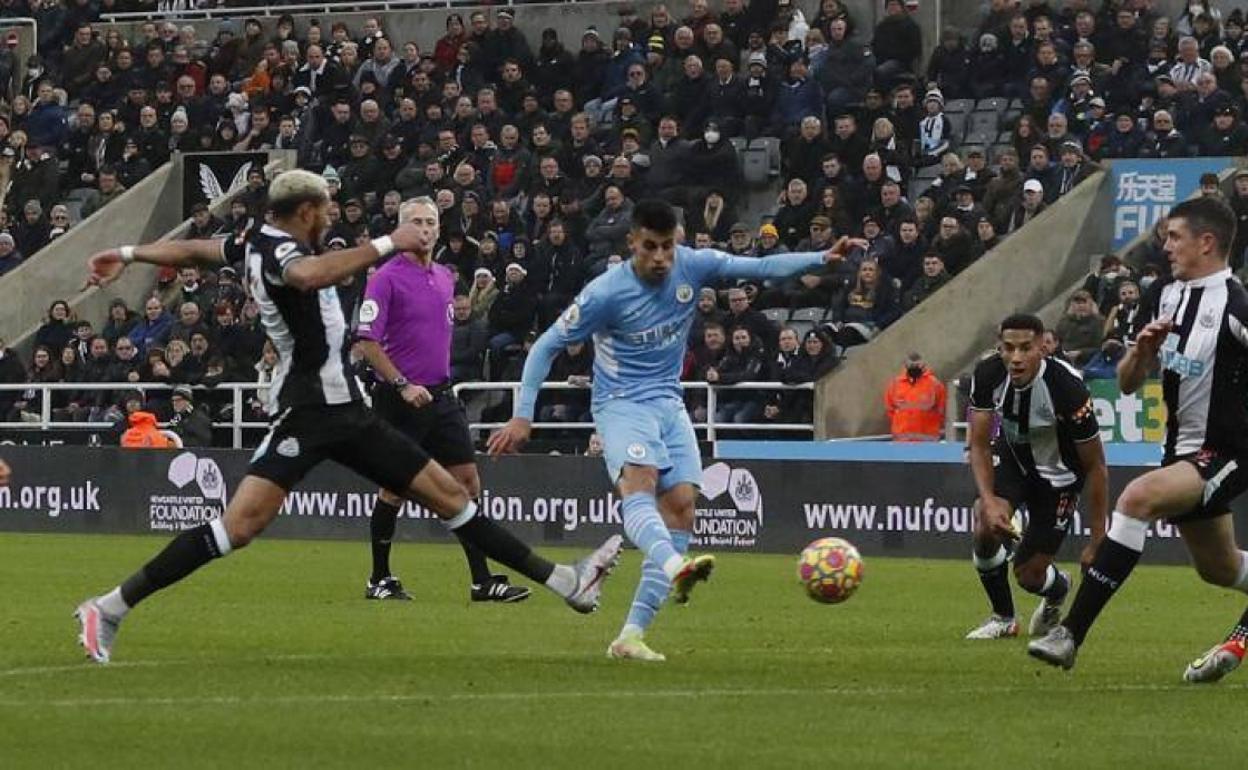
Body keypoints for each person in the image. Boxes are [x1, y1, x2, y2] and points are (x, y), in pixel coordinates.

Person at [76, 169, 623, 665]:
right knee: (238, 527)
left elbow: (198, 250)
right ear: (307, 212)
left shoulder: (252, 240)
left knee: (452, 496)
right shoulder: (283, 254)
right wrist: (389, 243)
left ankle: (568, 583)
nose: (333, 218)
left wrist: (128, 251)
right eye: (328, 211)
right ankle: (110, 606)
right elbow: (308, 276)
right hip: (310, 413)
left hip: (348, 412)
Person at [487, 198, 862, 661]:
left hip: (669, 400)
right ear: (632, 244)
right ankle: (674, 563)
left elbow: (762, 266)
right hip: (621, 404)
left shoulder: (693, 266)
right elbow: (545, 346)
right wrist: (523, 414)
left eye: (668, 246)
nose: (661, 257)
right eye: (651, 247)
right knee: (639, 485)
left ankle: (630, 636)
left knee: (683, 509)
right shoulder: (606, 292)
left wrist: (821, 259)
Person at [1029, 197, 1248, 680]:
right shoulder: (1165, 295)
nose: (1164, 245)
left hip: (1229, 450)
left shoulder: (1235, 306)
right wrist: (1143, 352)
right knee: (1218, 568)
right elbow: (1128, 382)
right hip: (1181, 450)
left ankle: (1070, 634)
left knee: (1137, 498)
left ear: (1206, 242)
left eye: (1175, 237)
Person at [356, 197, 528, 604]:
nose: (425, 229)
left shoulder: (446, 278)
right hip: (401, 398)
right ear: (400, 228)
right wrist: (400, 384)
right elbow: (366, 340)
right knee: (395, 488)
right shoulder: (384, 277)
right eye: (416, 222)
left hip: (441, 395)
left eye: (431, 222)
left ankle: (482, 580)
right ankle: (379, 578)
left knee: (467, 483)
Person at [966, 314, 1109, 642]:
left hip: (1058, 478)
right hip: (1014, 461)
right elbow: (978, 444)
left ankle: (1058, 590)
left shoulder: (1067, 387)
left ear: (1042, 347)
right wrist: (988, 501)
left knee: (1029, 576)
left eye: (1025, 348)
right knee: (984, 524)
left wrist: (1098, 540)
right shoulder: (987, 373)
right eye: (1009, 348)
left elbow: (1097, 466)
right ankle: (1003, 618)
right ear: (999, 347)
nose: (1016, 358)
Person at [884, 352, 946, 442]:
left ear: (923, 364)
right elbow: (890, 409)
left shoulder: (934, 384)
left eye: (917, 365)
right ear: (905, 365)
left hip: (927, 441)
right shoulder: (895, 384)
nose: (914, 368)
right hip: (902, 441)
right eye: (911, 365)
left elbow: (942, 410)